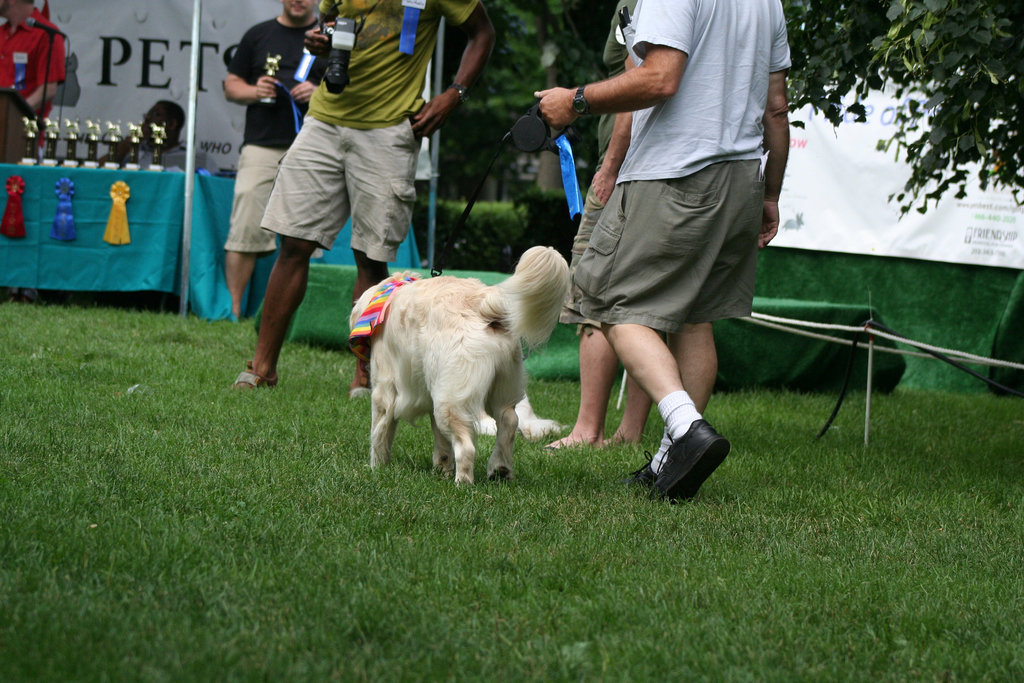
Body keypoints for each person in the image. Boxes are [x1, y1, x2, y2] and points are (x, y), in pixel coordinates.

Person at [536, 0, 791, 500]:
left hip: (675, 173)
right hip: (741, 176)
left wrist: (576, 101)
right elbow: (776, 106)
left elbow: (659, 79)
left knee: (607, 302)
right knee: (694, 318)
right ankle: (669, 464)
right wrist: (769, 193)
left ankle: (687, 427)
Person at [231, 0, 495, 392]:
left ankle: (367, 378)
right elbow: (331, 22)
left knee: (371, 258)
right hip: (323, 120)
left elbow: (483, 32)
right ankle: (261, 369)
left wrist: (454, 94)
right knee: (293, 244)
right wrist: (322, 39)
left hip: (389, 129)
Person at [545, 0, 652, 450]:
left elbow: (641, 83)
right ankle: (629, 434)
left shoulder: (644, 4)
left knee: (592, 287)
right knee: (656, 303)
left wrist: (610, 165)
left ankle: (589, 430)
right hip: (670, 168)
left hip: (633, 166)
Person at [223, 0, 325, 321]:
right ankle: (234, 310)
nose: (298, 0)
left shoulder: (329, 37)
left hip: (314, 148)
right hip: (262, 145)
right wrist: (255, 91)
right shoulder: (258, 34)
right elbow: (231, 85)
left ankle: (298, 318)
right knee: (244, 226)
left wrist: (318, 93)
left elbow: (353, 88)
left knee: (307, 235)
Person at [0, 0, 65, 119]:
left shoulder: (47, 34)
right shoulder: (2, 32)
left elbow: (48, 89)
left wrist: (13, 113)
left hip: (20, 129)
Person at [102, 100, 209, 172]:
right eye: (147, 115)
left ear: (172, 124)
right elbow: (98, 172)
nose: (148, 118)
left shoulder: (193, 157)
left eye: (155, 115)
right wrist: (125, 146)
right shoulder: (134, 150)